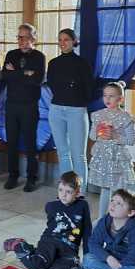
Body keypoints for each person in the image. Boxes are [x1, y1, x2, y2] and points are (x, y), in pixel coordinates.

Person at [2, 171, 91, 269]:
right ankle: (19, 245)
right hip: (50, 242)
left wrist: (87, 256)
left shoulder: (83, 206)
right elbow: (51, 228)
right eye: (60, 190)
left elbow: (87, 232)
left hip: (69, 247)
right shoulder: (51, 206)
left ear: (77, 192)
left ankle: (37, 254)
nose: (63, 195)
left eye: (69, 192)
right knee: (38, 265)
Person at [46, 28, 94, 188]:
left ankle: (80, 193)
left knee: (79, 155)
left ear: (74, 41)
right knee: (63, 153)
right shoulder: (53, 63)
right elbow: (52, 85)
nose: (62, 43)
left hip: (76, 111)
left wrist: (75, 97)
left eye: (66, 39)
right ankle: (66, 191)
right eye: (60, 39)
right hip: (56, 110)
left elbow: (89, 89)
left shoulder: (82, 63)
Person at [1, 23, 46, 192]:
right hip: (12, 105)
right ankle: (12, 175)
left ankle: (31, 178)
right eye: (19, 37)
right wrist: (25, 73)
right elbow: (4, 76)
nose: (21, 41)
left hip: (29, 105)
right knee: (11, 142)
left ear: (33, 38)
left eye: (25, 37)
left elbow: (37, 80)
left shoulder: (39, 57)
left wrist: (15, 73)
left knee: (30, 142)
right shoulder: (11, 54)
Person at [89, 81, 135, 217]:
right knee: (105, 189)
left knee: (119, 191)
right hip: (103, 157)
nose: (107, 99)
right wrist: (98, 132)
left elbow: (131, 140)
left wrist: (115, 135)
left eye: (111, 96)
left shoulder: (126, 117)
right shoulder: (98, 115)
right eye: (105, 95)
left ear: (120, 99)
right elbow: (92, 136)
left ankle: (120, 217)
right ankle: (102, 218)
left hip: (118, 158)